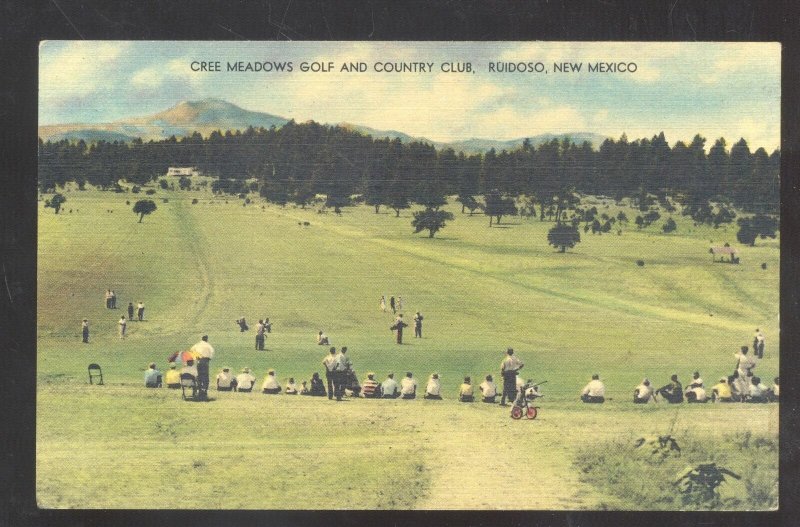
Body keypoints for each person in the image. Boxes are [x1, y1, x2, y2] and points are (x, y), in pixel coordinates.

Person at [190, 335, 215, 400]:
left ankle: (199, 390)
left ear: (201, 339)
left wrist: (196, 356)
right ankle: (204, 391)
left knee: (199, 376)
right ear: (206, 339)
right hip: (205, 361)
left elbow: (191, 350)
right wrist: (209, 358)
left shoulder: (197, 345)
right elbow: (212, 351)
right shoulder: (208, 345)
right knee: (205, 376)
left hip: (199, 361)